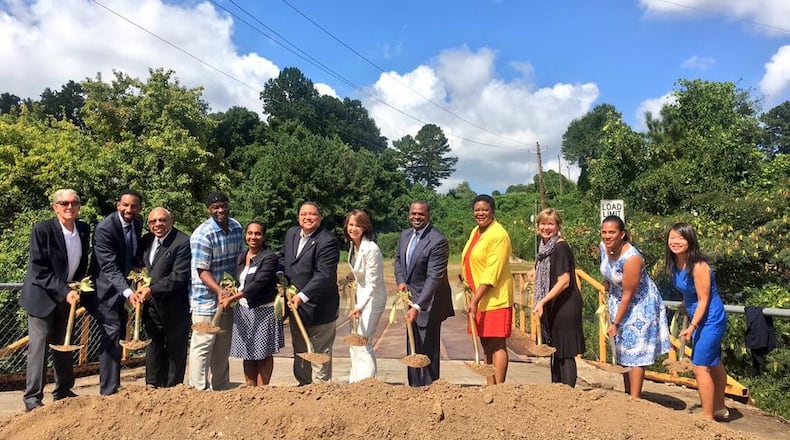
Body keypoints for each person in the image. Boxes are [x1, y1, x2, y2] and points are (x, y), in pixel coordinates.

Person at [20, 189, 90, 411]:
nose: (69, 207)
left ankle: (63, 390)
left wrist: (77, 287)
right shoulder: (43, 229)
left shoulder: (83, 228)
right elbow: (39, 269)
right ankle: (33, 398)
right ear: (55, 207)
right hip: (42, 296)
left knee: (65, 344)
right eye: (64, 203)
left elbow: (81, 262)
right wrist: (64, 291)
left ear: (79, 206)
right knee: (39, 348)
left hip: (67, 297)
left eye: (74, 203)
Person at [600, 215, 670, 398]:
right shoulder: (604, 247)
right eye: (604, 232)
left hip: (639, 304)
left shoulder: (632, 258)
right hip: (617, 300)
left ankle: (635, 398)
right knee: (622, 349)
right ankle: (627, 393)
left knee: (636, 351)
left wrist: (615, 322)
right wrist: (607, 284)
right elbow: (607, 271)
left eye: (612, 232)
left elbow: (629, 294)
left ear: (622, 234)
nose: (607, 236)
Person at [665, 222, 729, 421]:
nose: (675, 242)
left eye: (681, 238)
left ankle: (707, 418)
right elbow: (688, 295)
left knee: (700, 366)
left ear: (690, 241)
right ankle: (719, 407)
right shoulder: (675, 264)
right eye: (672, 238)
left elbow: (704, 300)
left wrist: (692, 327)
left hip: (711, 319)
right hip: (697, 318)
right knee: (714, 363)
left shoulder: (699, 266)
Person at [87, 189, 143, 395]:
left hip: (123, 289)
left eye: (134, 206)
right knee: (112, 331)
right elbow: (109, 267)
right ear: (118, 205)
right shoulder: (105, 229)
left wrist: (138, 267)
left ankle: (114, 384)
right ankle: (108, 391)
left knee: (119, 332)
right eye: (125, 205)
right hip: (104, 291)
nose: (129, 209)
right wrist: (128, 292)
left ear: (139, 208)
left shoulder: (137, 222)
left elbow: (132, 251)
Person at [188, 191, 244, 390]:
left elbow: (240, 260)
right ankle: (198, 388)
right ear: (209, 210)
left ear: (228, 205)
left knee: (222, 346)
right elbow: (202, 270)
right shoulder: (202, 234)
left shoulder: (237, 227)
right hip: (205, 297)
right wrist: (219, 290)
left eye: (223, 206)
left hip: (228, 297)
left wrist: (233, 289)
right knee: (203, 344)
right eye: (215, 207)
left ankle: (221, 386)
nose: (220, 210)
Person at [394, 201, 453, 387]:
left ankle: (429, 390)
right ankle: (414, 389)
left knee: (427, 352)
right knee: (412, 348)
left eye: (421, 214)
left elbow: (434, 277)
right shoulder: (405, 235)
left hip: (430, 303)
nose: (416, 217)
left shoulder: (437, 240)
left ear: (428, 216)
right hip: (409, 299)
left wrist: (418, 306)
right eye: (413, 213)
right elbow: (398, 261)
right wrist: (401, 281)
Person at [131, 207, 191, 388]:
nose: (158, 224)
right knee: (153, 346)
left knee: (174, 350)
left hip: (174, 307)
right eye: (153, 222)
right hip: (150, 306)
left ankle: (172, 389)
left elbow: (178, 276)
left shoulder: (183, 241)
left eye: (162, 220)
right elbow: (139, 267)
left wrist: (152, 289)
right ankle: (152, 385)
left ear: (171, 221)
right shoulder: (146, 241)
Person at [282, 202, 340, 385]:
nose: (308, 217)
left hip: (320, 308)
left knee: (319, 353)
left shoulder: (328, 241)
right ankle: (303, 388)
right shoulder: (291, 234)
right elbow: (283, 258)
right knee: (300, 350)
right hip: (297, 309)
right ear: (298, 217)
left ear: (320, 217)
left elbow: (324, 275)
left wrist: (302, 296)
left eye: (312, 214)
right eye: (304, 214)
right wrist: (279, 276)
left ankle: (320, 393)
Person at [220, 221, 284, 386]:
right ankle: (250, 387)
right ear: (245, 236)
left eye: (257, 234)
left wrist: (232, 299)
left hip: (264, 310)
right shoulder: (242, 256)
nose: (253, 237)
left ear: (264, 237)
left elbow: (258, 283)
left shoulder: (269, 257)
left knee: (262, 351)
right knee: (247, 350)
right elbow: (239, 281)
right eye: (250, 233)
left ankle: (262, 390)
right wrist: (229, 291)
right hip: (243, 310)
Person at [461, 195, 514, 385]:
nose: (480, 213)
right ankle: (490, 386)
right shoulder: (476, 231)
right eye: (477, 210)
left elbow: (492, 271)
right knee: (486, 344)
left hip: (494, 298)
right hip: (478, 297)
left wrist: (475, 300)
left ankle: (499, 388)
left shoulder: (498, 235)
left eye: (484, 210)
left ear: (493, 211)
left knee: (497, 343)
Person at [530, 208, 585, 387]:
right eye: (543, 224)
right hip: (554, 304)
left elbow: (564, 281)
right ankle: (556, 391)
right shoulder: (544, 248)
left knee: (564, 351)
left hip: (565, 305)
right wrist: (535, 271)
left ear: (558, 226)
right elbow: (545, 268)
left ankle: (567, 392)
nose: (546, 228)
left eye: (550, 224)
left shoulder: (560, 247)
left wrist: (542, 301)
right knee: (554, 350)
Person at [343, 210, 387, 382]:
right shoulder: (354, 246)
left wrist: (359, 307)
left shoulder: (371, 249)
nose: (353, 228)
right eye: (351, 224)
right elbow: (359, 272)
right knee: (354, 343)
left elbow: (372, 283)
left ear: (365, 227)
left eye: (358, 225)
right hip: (359, 298)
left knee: (363, 342)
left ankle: (367, 384)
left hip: (372, 300)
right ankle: (356, 381)